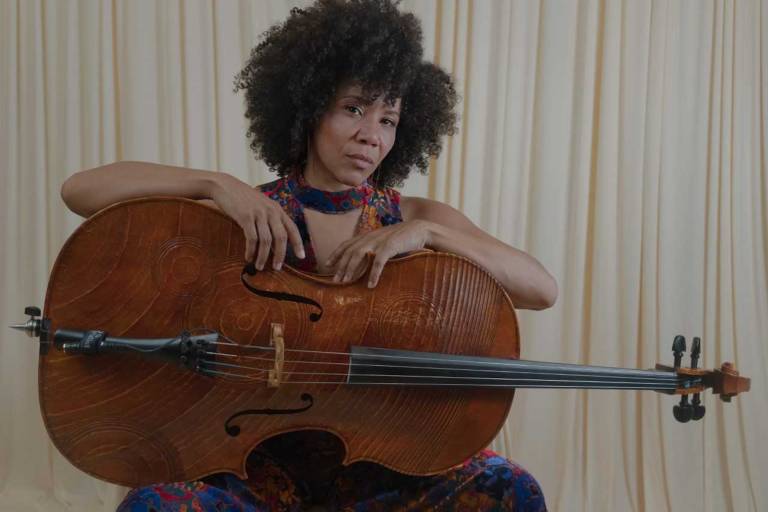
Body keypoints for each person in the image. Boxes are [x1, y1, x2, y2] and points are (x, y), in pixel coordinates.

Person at [61, 1, 557, 510]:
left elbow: (541, 290)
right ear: (309, 105)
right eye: (353, 109)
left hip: (383, 462)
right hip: (251, 463)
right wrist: (212, 183)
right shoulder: (248, 210)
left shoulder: (412, 218)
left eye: (389, 119)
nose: (371, 134)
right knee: (152, 504)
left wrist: (428, 234)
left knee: (512, 487)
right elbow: (80, 190)